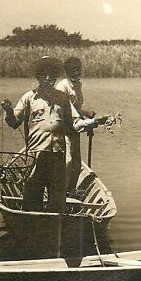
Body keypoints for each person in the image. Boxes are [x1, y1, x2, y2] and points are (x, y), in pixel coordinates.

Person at [0, 56, 75, 213]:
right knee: (32, 197)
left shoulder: (63, 99)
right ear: (38, 77)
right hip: (35, 155)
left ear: (55, 77)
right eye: (44, 74)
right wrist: (8, 111)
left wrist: (90, 123)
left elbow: (71, 125)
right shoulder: (29, 98)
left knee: (57, 200)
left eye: (52, 74)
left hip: (58, 155)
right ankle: (31, 227)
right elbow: (14, 123)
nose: (48, 78)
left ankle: (54, 226)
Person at [55, 56, 96, 193]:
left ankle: (71, 191)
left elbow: (74, 108)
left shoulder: (78, 85)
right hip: (64, 128)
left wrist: (86, 113)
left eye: (78, 70)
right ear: (67, 72)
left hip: (75, 127)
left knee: (76, 164)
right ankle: (62, 193)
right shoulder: (62, 86)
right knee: (68, 161)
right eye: (73, 71)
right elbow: (63, 110)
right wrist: (86, 123)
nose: (76, 73)